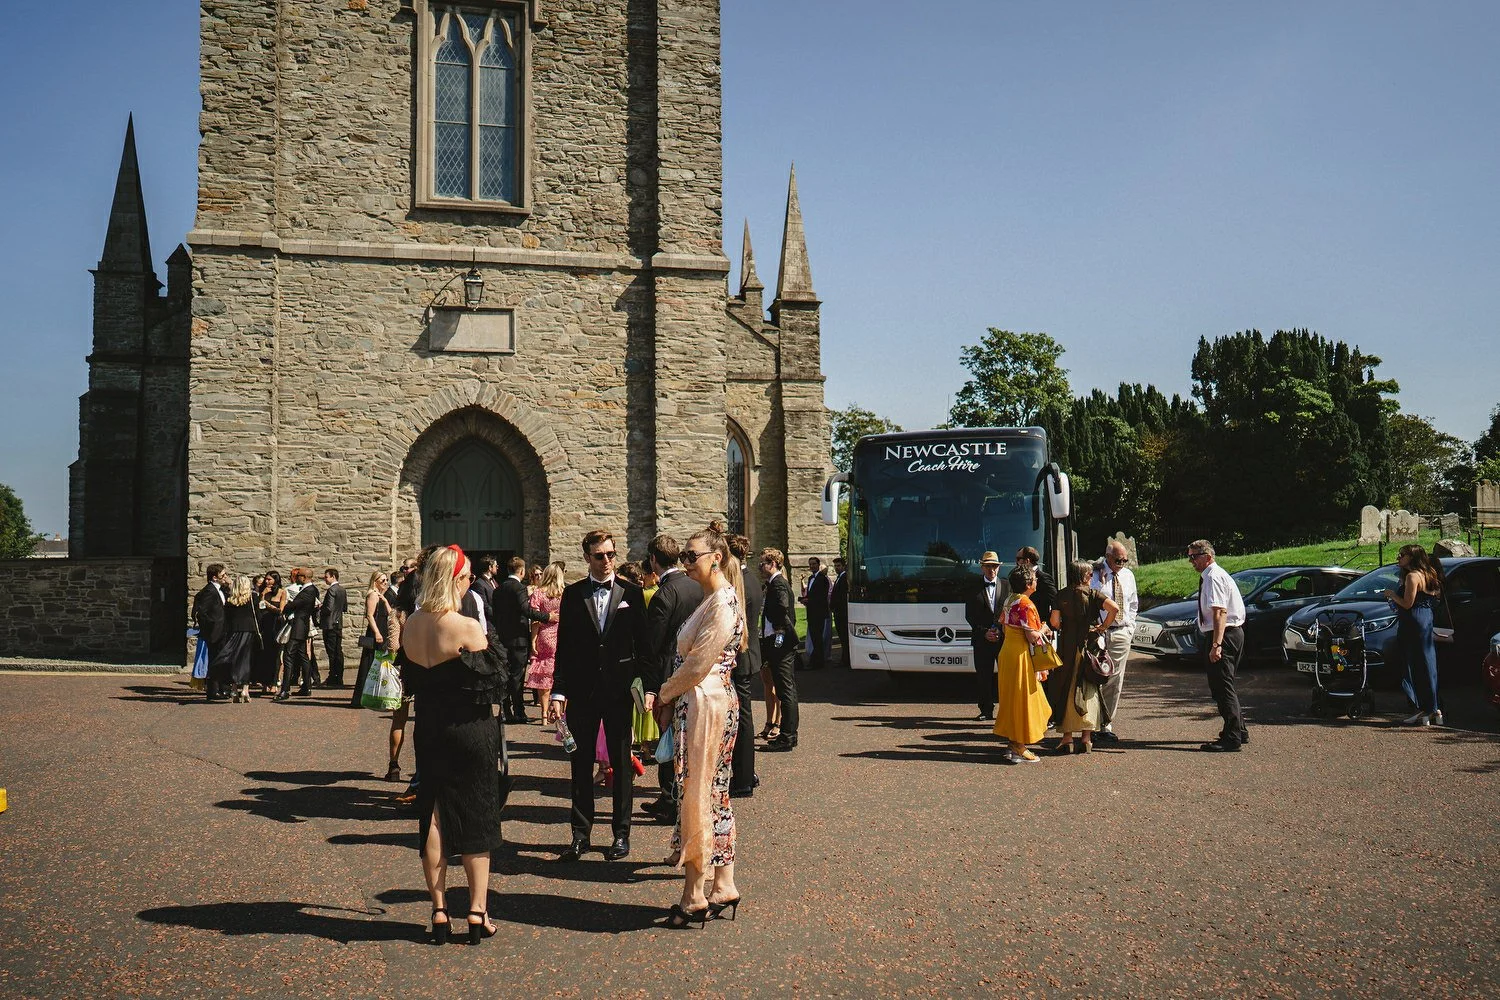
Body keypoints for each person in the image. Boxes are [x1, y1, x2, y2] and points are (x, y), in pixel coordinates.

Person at [396, 544, 504, 945]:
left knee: (435, 815)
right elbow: (492, 684)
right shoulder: (464, 626)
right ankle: (477, 911)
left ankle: (439, 910)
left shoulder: (411, 625)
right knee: (477, 813)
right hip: (469, 729)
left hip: (429, 728)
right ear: (456, 579)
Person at [653, 527, 744, 926]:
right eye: (684, 557)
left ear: (716, 557)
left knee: (698, 792)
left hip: (706, 702)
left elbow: (697, 664)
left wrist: (665, 694)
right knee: (713, 791)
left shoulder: (722, 603)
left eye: (693, 556)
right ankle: (723, 883)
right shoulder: (712, 600)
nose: (686, 563)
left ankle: (694, 893)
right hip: (708, 701)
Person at [551, 529, 650, 862]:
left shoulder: (632, 594)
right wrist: (558, 690)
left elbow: (644, 647)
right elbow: (563, 647)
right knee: (580, 764)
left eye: (611, 554)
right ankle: (580, 835)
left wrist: (648, 688)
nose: (607, 561)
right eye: (599, 556)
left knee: (622, 766)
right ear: (587, 558)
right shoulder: (573, 594)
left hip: (620, 691)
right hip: (582, 691)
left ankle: (621, 835)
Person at [640, 534, 704, 823]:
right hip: (698, 671)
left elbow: (652, 647)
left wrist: (652, 687)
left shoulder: (663, 594)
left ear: (654, 560)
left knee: (668, 736)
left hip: (670, 674)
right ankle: (679, 795)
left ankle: (669, 798)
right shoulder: (697, 586)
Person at [1050, 560, 1118, 753]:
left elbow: (1054, 622)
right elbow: (1114, 609)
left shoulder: (1061, 595)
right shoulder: (1094, 594)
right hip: (1089, 646)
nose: (1091, 577)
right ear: (1083, 575)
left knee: (1067, 687)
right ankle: (1087, 739)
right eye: (1089, 574)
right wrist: (1103, 627)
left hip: (1068, 647)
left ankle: (1067, 738)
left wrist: (1065, 623)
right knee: (1089, 686)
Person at [1188, 540, 1249, 752]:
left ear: (1208, 556)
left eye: (1195, 556)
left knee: (1222, 688)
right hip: (1229, 634)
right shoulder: (1212, 575)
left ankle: (1232, 738)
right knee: (1225, 685)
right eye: (1190, 557)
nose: (1191, 561)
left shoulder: (1213, 576)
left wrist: (1216, 644)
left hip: (1224, 635)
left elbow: (1220, 611)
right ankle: (1239, 730)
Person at [993, 565, 1053, 763]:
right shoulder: (1026, 603)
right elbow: (1032, 635)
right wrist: (1044, 629)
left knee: (1012, 699)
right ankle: (1019, 746)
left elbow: (1004, 625)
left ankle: (1013, 743)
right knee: (1024, 700)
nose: (1036, 581)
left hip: (1008, 652)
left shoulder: (1010, 599)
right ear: (1028, 584)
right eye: (1034, 579)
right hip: (1020, 654)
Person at [1384, 544, 1444, 727]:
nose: (1398, 558)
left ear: (1412, 557)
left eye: (1402, 555)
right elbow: (1436, 596)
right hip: (1426, 618)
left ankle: (1420, 707)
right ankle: (1433, 709)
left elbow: (1407, 603)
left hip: (1412, 620)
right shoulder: (1430, 573)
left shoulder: (1412, 576)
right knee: (1427, 663)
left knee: (1411, 664)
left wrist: (1392, 595)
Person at [492, 556, 553, 724]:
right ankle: (519, 711)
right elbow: (526, 610)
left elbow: (495, 614)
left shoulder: (498, 589)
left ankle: (506, 709)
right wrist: (547, 616)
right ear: (521, 571)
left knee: (505, 675)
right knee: (517, 677)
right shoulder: (519, 588)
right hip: (518, 639)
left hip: (502, 637)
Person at [1089, 542, 1138, 744]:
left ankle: (1105, 725)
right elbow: (1088, 600)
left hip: (1120, 632)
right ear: (1107, 556)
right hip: (1098, 633)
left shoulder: (1128, 576)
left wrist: (1130, 628)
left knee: (1114, 681)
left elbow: (1133, 603)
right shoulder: (1094, 574)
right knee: (1093, 677)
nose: (1121, 564)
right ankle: (1090, 724)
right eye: (1118, 560)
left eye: (1125, 560)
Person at [728, 533, 762, 797]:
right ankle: (746, 773)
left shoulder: (738, 581)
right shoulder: (752, 579)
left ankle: (742, 778)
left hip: (739, 656)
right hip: (750, 655)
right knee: (745, 716)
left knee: (740, 718)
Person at [760, 548, 799, 752]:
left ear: (773, 564)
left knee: (785, 690)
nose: (760, 567)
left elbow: (782, 609)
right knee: (784, 689)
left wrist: (779, 629)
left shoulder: (778, 584)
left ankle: (787, 735)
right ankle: (788, 734)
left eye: (762, 564)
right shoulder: (774, 584)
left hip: (780, 643)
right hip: (776, 641)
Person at [964, 551, 1005, 721]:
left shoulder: (1007, 586)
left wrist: (1000, 631)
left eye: (994, 566)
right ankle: (986, 710)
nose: (991, 570)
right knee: (983, 676)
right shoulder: (973, 587)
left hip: (1003, 639)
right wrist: (984, 632)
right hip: (981, 639)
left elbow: (1010, 612)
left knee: (1005, 676)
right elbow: (970, 615)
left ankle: (1007, 711)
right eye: (988, 566)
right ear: (982, 567)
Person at [524, 563, 565, 716]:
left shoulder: (539, 593)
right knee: (560, 671)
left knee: (544, 675)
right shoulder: (564, 593)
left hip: (544, 635)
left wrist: (533, 640)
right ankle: (561, 711)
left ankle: (544, 712)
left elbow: (535, 621)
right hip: (560, 634)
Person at [350, 570, 393, 707]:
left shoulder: (381, 595)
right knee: (370, 662)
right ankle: (362, 697)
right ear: (375, 582)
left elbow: (390, 613)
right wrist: (377, 632)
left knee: (380, 663)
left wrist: (385, 601)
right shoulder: (373, 595)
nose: (385, 583)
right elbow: (369, 615)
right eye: (382, 581)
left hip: (382, 629)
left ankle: (375, 694)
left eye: (386, 580)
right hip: (376, 631)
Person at [193, 564, 229, 702]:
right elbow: (202, 612)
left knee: (221, 660)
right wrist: (211, 626)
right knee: (214, 661)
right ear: (215, 577)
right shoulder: (209, 591)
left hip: (222, 631)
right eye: (223, 575)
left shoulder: (220, 589)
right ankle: (213, 691)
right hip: (215, 632)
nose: (225, 577)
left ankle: (221, 688)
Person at [222, 575, 261, 703]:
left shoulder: (230, 600)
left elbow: (226, 618)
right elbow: (258, 615)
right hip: (249, 630)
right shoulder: (253, 598)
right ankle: (245, 689)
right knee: (247, 660)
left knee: (234, 659)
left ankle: (234, 688)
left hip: (233, 631)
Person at [254, 571, 286, 692]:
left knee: (276, 655)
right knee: (264, 654)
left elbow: (280, 610)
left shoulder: (282, 592)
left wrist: (268, 604)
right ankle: (264, 682)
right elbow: (258, 607)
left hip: (275, 625)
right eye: (266, 579)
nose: (267, 582)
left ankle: (274, 682)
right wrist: (262, 595)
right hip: (264, 625)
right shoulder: (262, 592)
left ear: (275, 580)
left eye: (270, 580)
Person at [798, 556, 831, 671]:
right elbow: (812, 595)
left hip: (819, 613)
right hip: (811, 612)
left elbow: (822, 597)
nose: (812, 566)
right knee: (814, 637)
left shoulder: (823, 579)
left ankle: (818, 662)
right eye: (810, 564)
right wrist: (805, 599)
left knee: (818, 638)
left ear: (818, 565)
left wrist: (809, 600)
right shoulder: (811, 578)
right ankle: (815, 660)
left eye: (814, 564)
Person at [319, 568, 348, 688]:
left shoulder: (332, 590)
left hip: (329, 624)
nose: (325, 579)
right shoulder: (342, 589)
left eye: (326, 577)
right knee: (338, 651)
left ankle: (332, 677)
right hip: (338, 623)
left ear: (333, 577)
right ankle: (338, 677)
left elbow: (328, 608)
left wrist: (320, 607)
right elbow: (344, 607)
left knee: (331, 652)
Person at [1015, 546, 1058, 625]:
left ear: (1027, 561)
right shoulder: (1018, 576)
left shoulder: (1043, 578)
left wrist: (1048, 625)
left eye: (1018, 559)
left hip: (1037, 626)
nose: (1016, 563)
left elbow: (1055, 601)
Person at [829, 557, 850, 669]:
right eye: (835, 566)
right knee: (842, 637)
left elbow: (841, 597)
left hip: (842, 613)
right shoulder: (839, 578)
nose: (836, 568)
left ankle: (846, 660)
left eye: (838, 566)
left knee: (844, 637)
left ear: (843, 566)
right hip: (838, 612)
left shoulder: (844, 578)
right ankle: (844, 658)